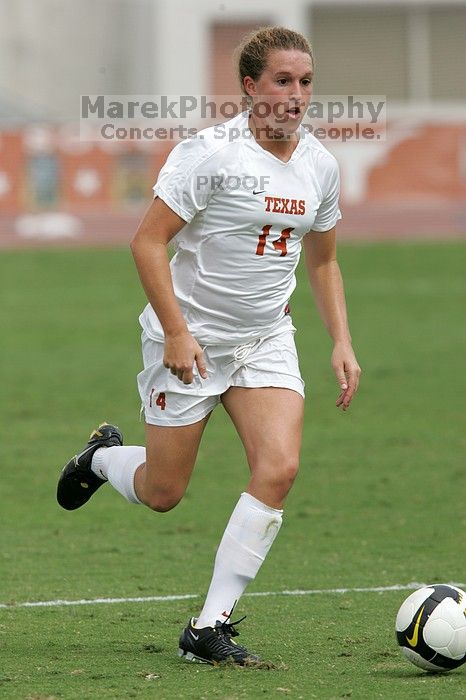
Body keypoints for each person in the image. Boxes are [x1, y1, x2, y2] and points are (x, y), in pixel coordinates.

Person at [57, 26, 361, 665]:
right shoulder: (208, 155)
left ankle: (208, 627)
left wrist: (341, 341)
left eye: (306, 82)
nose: (297, 95)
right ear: (250, 87)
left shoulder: (320, 166)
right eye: (282, 80)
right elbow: (147, 242)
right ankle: (101, 460)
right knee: (163, 492)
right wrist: (174, 330)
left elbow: (324, 262)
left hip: (266, 340)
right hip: (190, 342)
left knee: (279, 468)